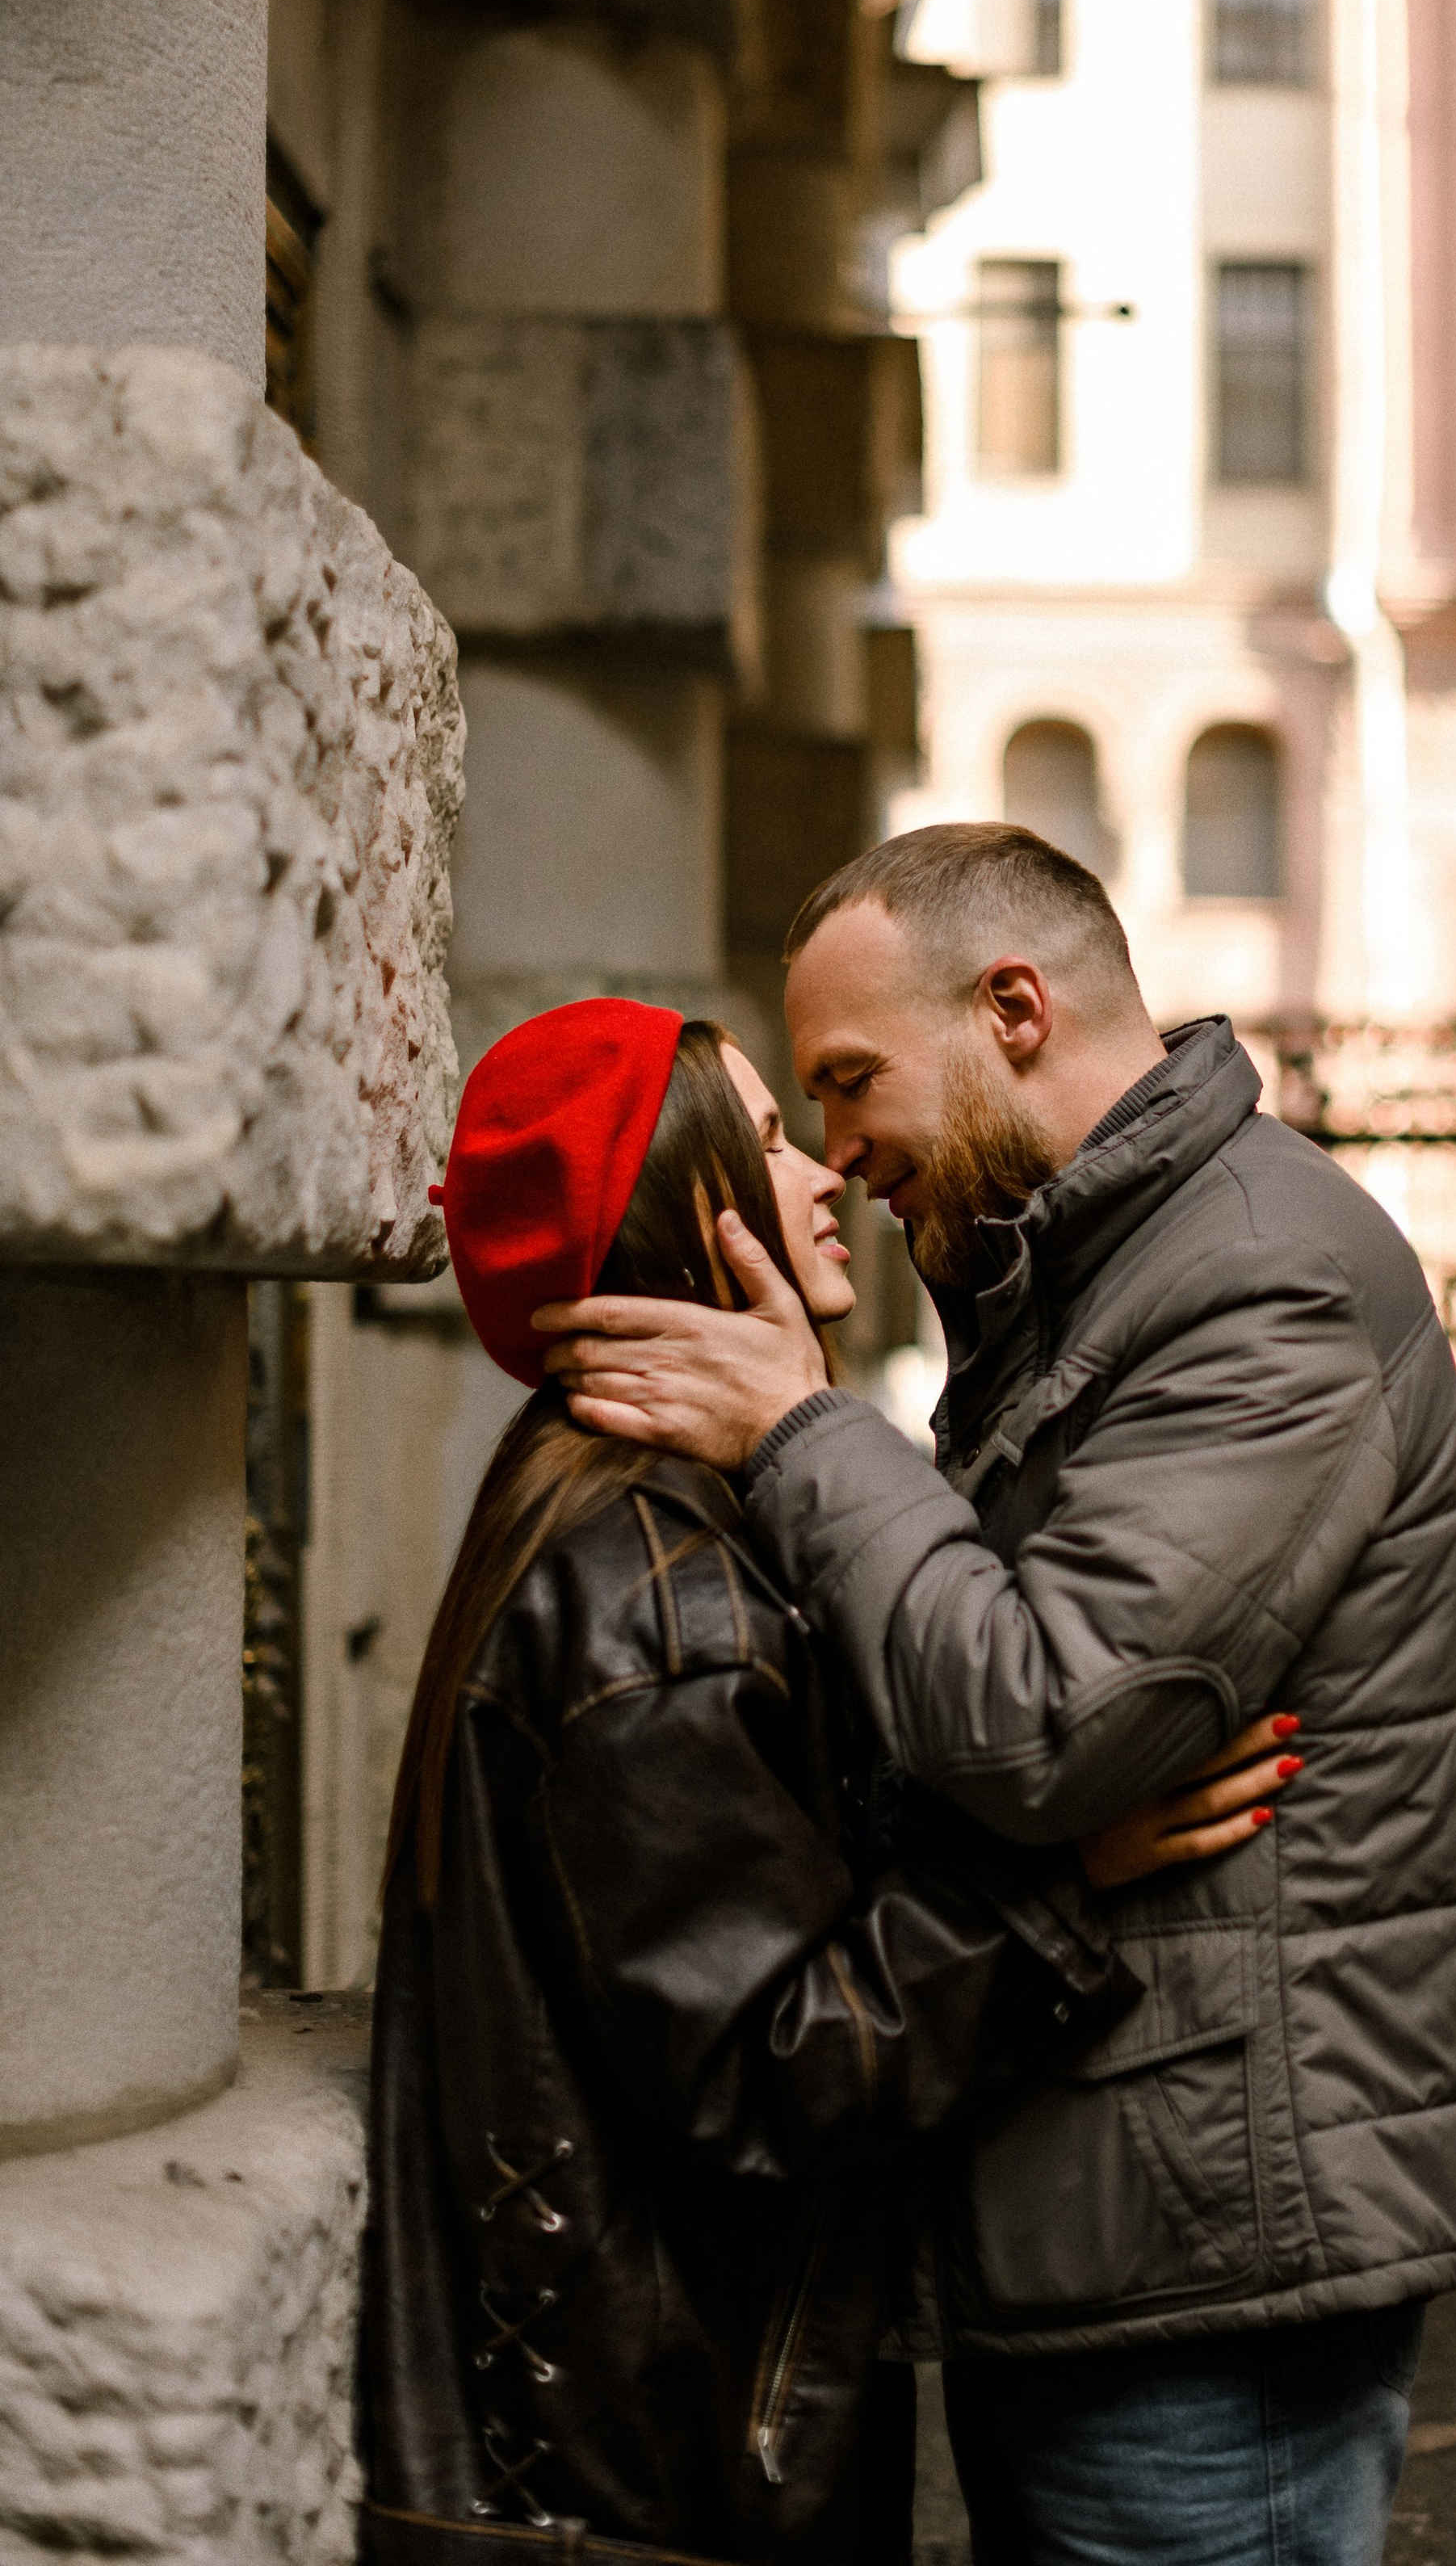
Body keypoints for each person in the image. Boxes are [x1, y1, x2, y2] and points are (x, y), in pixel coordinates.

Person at [540, 828, 1456, 2566]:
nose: (837, 1154)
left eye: (846, 1081)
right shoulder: (1077, 1271)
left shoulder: (1256, 1278)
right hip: (1112, 2212)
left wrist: (799, 1432)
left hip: (1211, 2260)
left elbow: (1039, 1725)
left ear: (1012, 1008)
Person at [359, 998, 1294, 2566]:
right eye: (774, 1143)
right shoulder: (659, 1587)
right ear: (688, 1221)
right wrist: (1060, 1881)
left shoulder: (609, 1509)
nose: (824, 1178)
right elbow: (771, 2066)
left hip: (633, 2428)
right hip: (663, 2462)